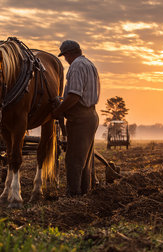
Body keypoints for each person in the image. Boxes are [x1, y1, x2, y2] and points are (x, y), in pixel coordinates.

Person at [53, 40, 100, 196]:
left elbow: (74, 95)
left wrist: (58, 110)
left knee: (74, 159)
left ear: (68, 54)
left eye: (65, 56)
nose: (65, 59)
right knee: (85, 159)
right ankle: (85, 192)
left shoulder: (76, 66)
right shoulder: (89, 64)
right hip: (91, 115)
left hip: (80, 117)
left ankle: (73, 195)